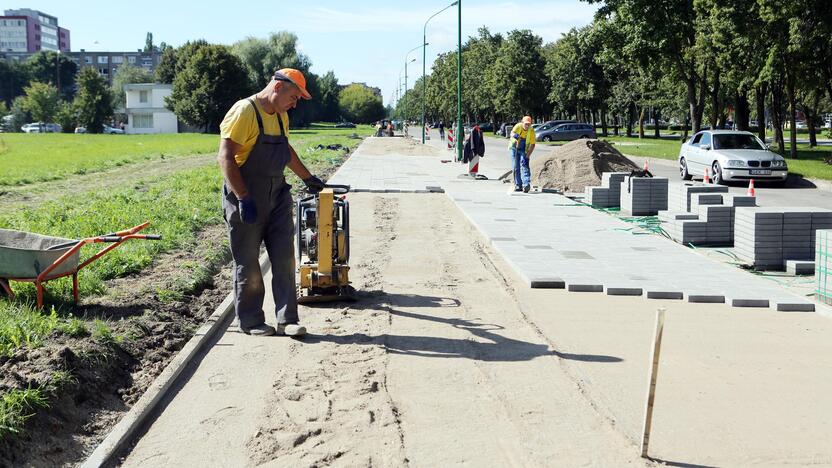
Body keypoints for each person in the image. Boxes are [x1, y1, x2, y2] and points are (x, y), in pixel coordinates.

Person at [217, 68, 325, 337]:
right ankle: (251, 320)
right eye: (294, 95)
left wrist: (308, 177)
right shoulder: (245, 112)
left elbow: (285, 151)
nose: (295, 102)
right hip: (246, 195)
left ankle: (287, 319)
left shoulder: (281, 116)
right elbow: (226, 158)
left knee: (285, 257)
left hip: (277, 195)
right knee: (249, 261)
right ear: (278, 87)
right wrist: (243, 197)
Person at [508, 116, 536, 192]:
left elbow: (533, 144)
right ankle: (518, 185)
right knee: (515, 167)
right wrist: (515, 135)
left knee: (525, 165)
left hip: (524, 149)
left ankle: (526, 184)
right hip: (514, 148)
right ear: (522, 122)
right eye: (526, 124)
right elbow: (511, 133)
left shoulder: (531, 130)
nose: (527, 126)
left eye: (529, 124)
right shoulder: (518, 126)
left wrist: (527, 156)